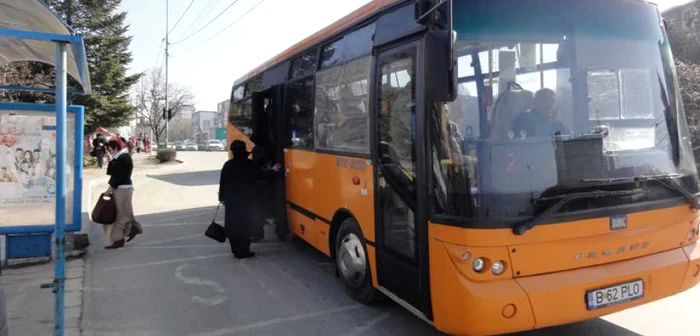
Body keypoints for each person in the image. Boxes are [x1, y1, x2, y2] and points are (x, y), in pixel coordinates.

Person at [218, 140, 280, 258]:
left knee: (232, 224)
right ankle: (244, 251)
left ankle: (235, 250)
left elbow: (222, 183)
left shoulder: (228, 165)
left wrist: (221, 197)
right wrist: (273, 171)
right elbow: (262, 176)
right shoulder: (249, 164)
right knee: (244, 225)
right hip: (246, 199)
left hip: (231, 200)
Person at [103, 139, 143, 249]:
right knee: (125, 212)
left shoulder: (123, 158)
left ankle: (118, 239)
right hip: (123, 189)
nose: (109, 152)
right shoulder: (120, 157)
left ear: (116, 147)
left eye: (110, 150)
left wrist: (109, 189)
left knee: (119, 215)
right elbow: (111, 172)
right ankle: (133, 228)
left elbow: (117, 177)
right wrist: (111, 159)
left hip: (122, 189)